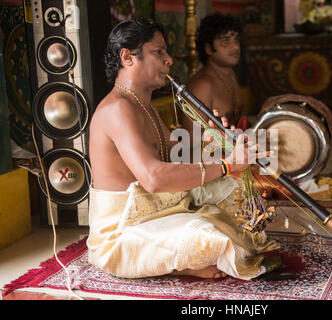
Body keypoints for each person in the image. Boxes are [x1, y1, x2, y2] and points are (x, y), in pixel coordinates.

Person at [86, 18, 279, 281]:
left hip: (159, 213)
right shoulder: (117, 109)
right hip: (122, 232)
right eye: (158, 52)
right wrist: (225, 165)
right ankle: (180, 264)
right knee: (210, 239)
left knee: (237, 200)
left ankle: (181, 253)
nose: (169, 60)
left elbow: (178, 151)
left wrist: (213, 143)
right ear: (128, 57)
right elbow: (153, 178)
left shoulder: (143, 105)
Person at [182, 13, 248, 144]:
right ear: (208, 48)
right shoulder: (202, 85)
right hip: (212, 160)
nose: (235, 47)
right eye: (225, 41)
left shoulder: (230, 75)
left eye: (236, 40)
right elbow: (190, 143)